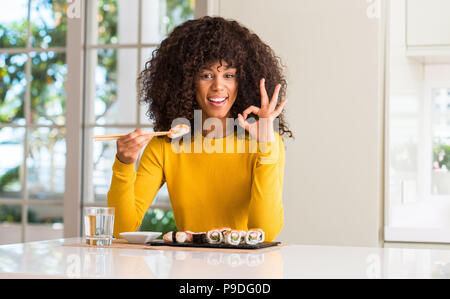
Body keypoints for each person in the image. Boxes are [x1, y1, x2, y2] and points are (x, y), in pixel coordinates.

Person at [107, 16, 293, 242]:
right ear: (186, 81)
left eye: (229, 75)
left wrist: (266, 150)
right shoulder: (165, 145)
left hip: (248, 271)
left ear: (242, 81)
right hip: (187, 269)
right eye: (206, 75)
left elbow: (266, 232)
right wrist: (124, 164)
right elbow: (120, 228)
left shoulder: (266, 143)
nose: (218, 86)